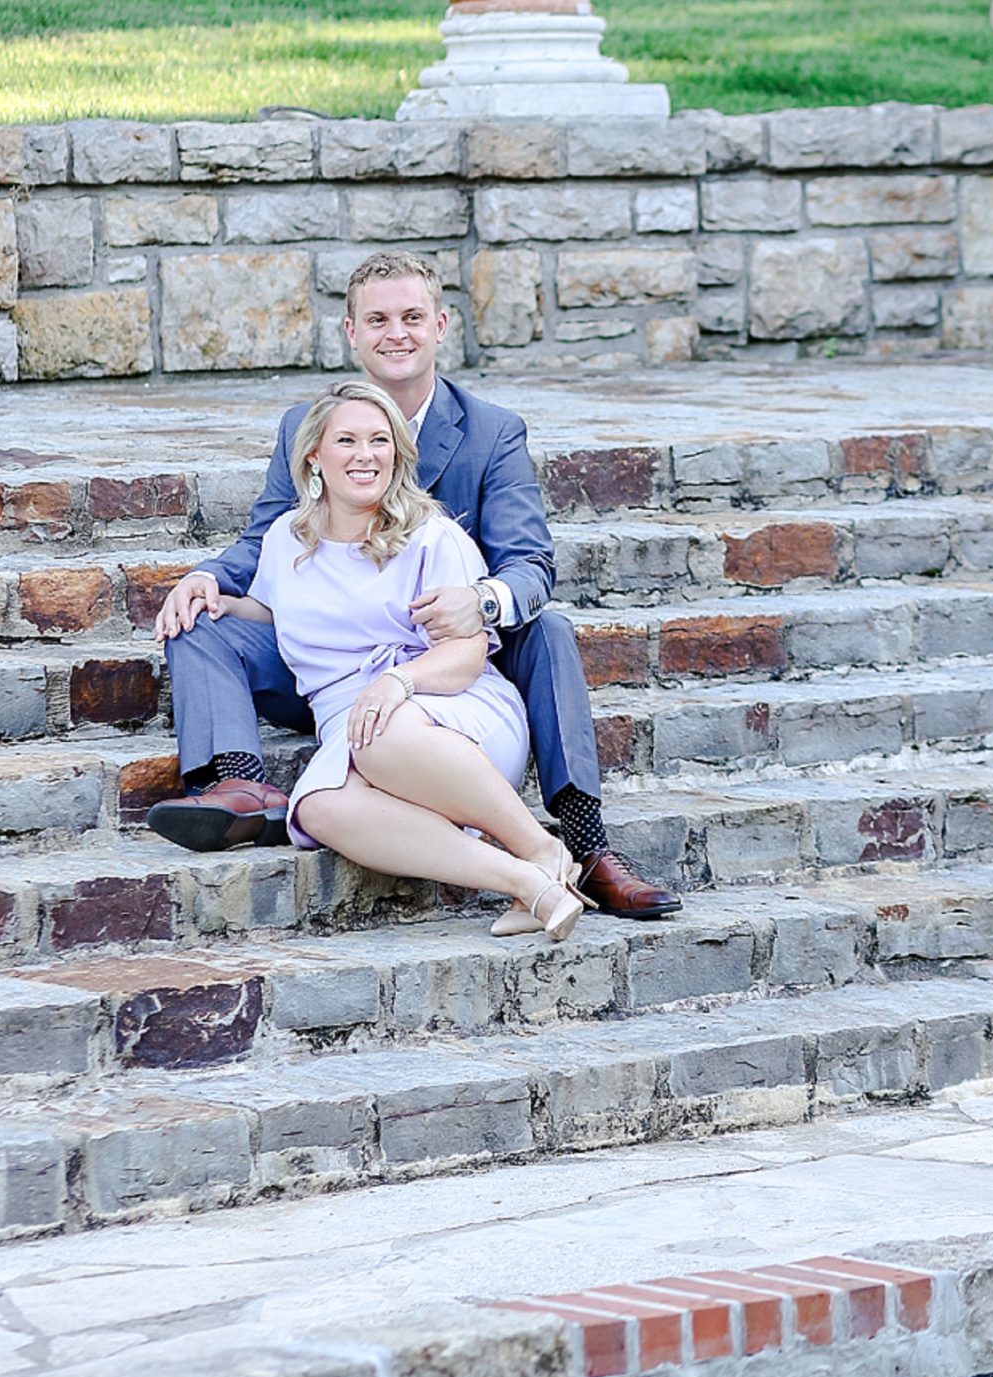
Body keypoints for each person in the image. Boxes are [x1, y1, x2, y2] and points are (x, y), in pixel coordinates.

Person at [146, 252, 679, 919]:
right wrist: (206, 578)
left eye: (411, 317)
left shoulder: (490, 435)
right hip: (333, 660)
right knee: (199, 622)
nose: (395, 333)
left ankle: (585, 843)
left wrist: (478, 602)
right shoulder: (304, 427)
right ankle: (240, 784)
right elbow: (270, 540)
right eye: (377, 319)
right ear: (351, 333)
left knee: (547, 630)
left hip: (455, 647)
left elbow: (531, 566)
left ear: (440, 325)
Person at [211, 379, 589, 937]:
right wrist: (212, 601)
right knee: (317, 810)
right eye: (347, 441)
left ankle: (541, 847)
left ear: (397, 453)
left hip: (450, 705)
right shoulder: (285, 542)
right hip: (352, 720)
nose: (365, 456)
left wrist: (397, 683)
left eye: (379, 441)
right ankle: (525, 882)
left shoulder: (431, 536)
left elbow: (464, 658)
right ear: (314, 455)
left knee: (382, 734)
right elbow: (277, 612)